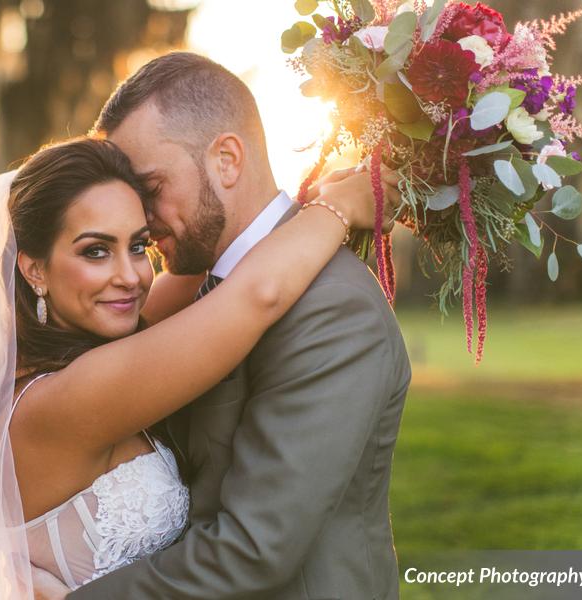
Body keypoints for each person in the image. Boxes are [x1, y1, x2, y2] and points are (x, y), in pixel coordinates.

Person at [0, 98, 400, 600]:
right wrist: (339, 207)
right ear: (34, 268)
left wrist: (312, 191)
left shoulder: (80, 350)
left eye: (138, 245)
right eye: (95, 250)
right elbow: (256, 294)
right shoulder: (73, 397)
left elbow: (209, 261)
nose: (129, 276)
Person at [39, 52, 411, 600]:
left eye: (150, 186)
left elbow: (252, 549)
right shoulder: (199, 288)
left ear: (227, 160)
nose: (139, 218)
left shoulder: (332, 308)